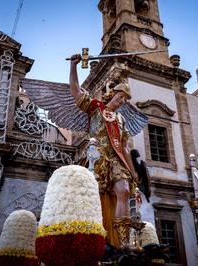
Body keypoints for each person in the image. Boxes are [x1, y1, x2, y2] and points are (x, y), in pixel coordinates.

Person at [69, 54, 138, 248]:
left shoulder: (121, 120)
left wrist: (133, 172)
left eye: (125, 99)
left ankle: (122, 242)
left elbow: (124, 147)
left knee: (123, 191)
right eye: (121, 96)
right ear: (112, 94)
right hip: (96, 158)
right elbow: (75, 91)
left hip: (116, 160)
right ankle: (97, 239)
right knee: (94, 199)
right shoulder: (96, 108)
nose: (123, 101)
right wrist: (74, 66)